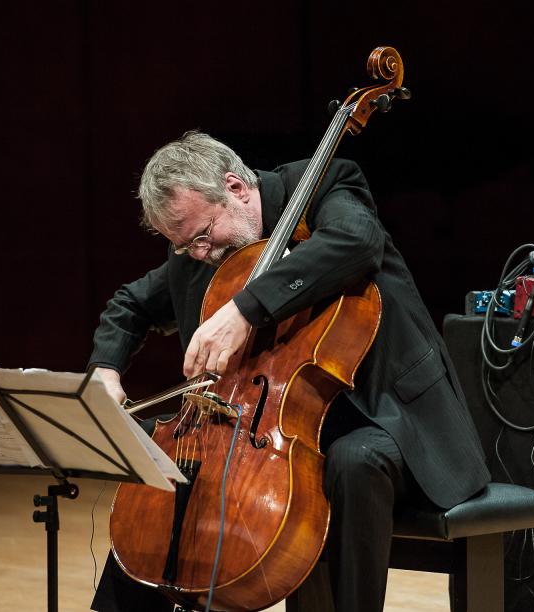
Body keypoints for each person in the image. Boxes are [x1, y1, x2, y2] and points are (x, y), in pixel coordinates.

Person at [88, 131, 490, 612]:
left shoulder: (322, 185)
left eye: (202, 236)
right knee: (158, 455)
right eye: (184, 246)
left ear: (235, 188)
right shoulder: (203, 250)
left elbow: (355, 241)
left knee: (353, 460)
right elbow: (130, 304)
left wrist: (243, 310)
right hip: (274, 427)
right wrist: (104, 371)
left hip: (387, 417)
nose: (199, 253)